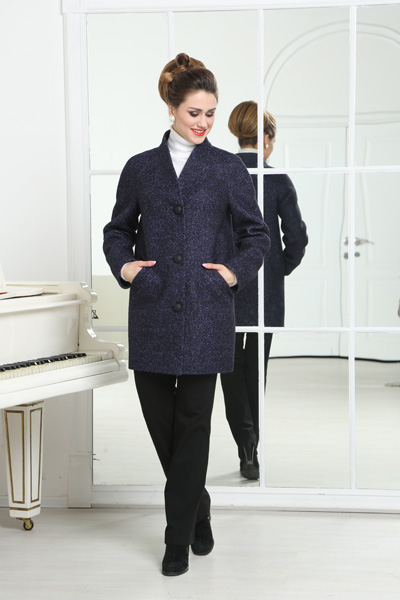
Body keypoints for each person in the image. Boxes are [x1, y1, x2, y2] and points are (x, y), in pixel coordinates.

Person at [103, 57, 270, 577]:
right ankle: (198, 507)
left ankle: (176, 540)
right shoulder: (140, 167)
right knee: (164, 427)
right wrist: (126, 268)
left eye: (211, 113)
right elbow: (117, 231)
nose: (203, 122)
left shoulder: (226, 168)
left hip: (206, 312)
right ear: (171, 108)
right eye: (194, 112)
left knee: (194, 427)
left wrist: (232, 273)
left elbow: (256, 234)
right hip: (151, 310)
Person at [220, 101, 308, 481]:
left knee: (229, 369)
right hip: (264, 290)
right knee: (258, 370)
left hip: (224, 284)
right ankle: (252, 449)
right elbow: (297, 239)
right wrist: (276, 270)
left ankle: (245, 443)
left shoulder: (219, 174)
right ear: (267, 139)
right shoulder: (277, 180)